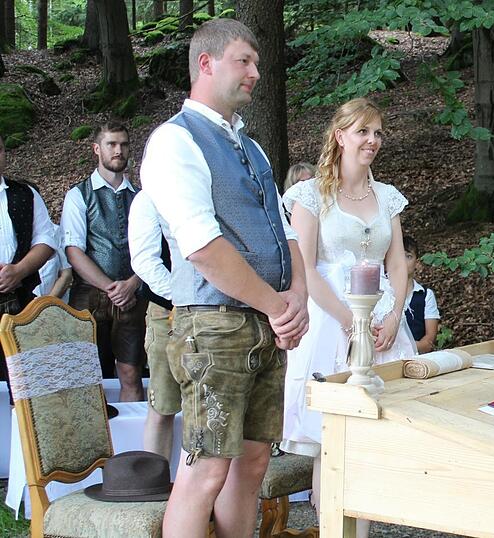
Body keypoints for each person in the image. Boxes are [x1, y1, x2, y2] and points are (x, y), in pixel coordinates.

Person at [139, 19, 308, 537]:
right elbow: (202, 249)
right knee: (206, 469)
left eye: (257, 62)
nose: (256, 72)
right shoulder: (174, 141)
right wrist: (278, 306)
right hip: (211, 328)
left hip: (265, 325)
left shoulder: (251, 148)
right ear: (206, 63)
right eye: (245, 60)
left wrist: (297, 297)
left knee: (253, 463)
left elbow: (286, 232)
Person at [281, 97, 416, 536]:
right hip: (330, 321)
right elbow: (304, 268)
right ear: (339, 136)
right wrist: (348, 321)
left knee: (372, 441)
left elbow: (397, 265)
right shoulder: (310, 195)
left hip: (381, 323)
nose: (373, 141)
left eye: (378, 132)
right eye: (363, 131)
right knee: (332, 443)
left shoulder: (387, 198)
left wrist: (395, 314)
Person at [61, 122, 147, 401]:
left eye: (123, 144)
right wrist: (112, 288)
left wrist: (132, 284)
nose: (118, 150)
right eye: (111, 144)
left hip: (133, 295)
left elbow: (153, 250)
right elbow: (74, 251)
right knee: (85, 379)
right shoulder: (78, 195)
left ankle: (131, 445)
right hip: (88, 297)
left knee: (131, 374)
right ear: (97, 149)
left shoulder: (142, 198)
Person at [0, 134, 56, 402]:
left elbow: (46, 241)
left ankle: (24, 445)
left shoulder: (24, 194)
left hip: (19, 304)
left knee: (25, 392)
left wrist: (19, 271)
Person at [127, 190, 177, 461]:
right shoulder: (149, 198)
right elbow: (146, 261)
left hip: (214, 311)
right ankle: (155, 489)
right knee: (162, 405)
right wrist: (181, 297)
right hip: (166, 310)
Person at [402, 235, 440, 354]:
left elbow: (429, 341)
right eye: (399, 256)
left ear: (417, 263)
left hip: (418, 359)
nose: (402, 261)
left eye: (408, 256)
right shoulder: (383, 294)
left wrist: (405, 348)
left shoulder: (426, 295)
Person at [33, 223, 72, 302]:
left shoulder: (55, 231)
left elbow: (66, 275)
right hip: (22, 308)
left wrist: (46, 305)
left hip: (55, 307)